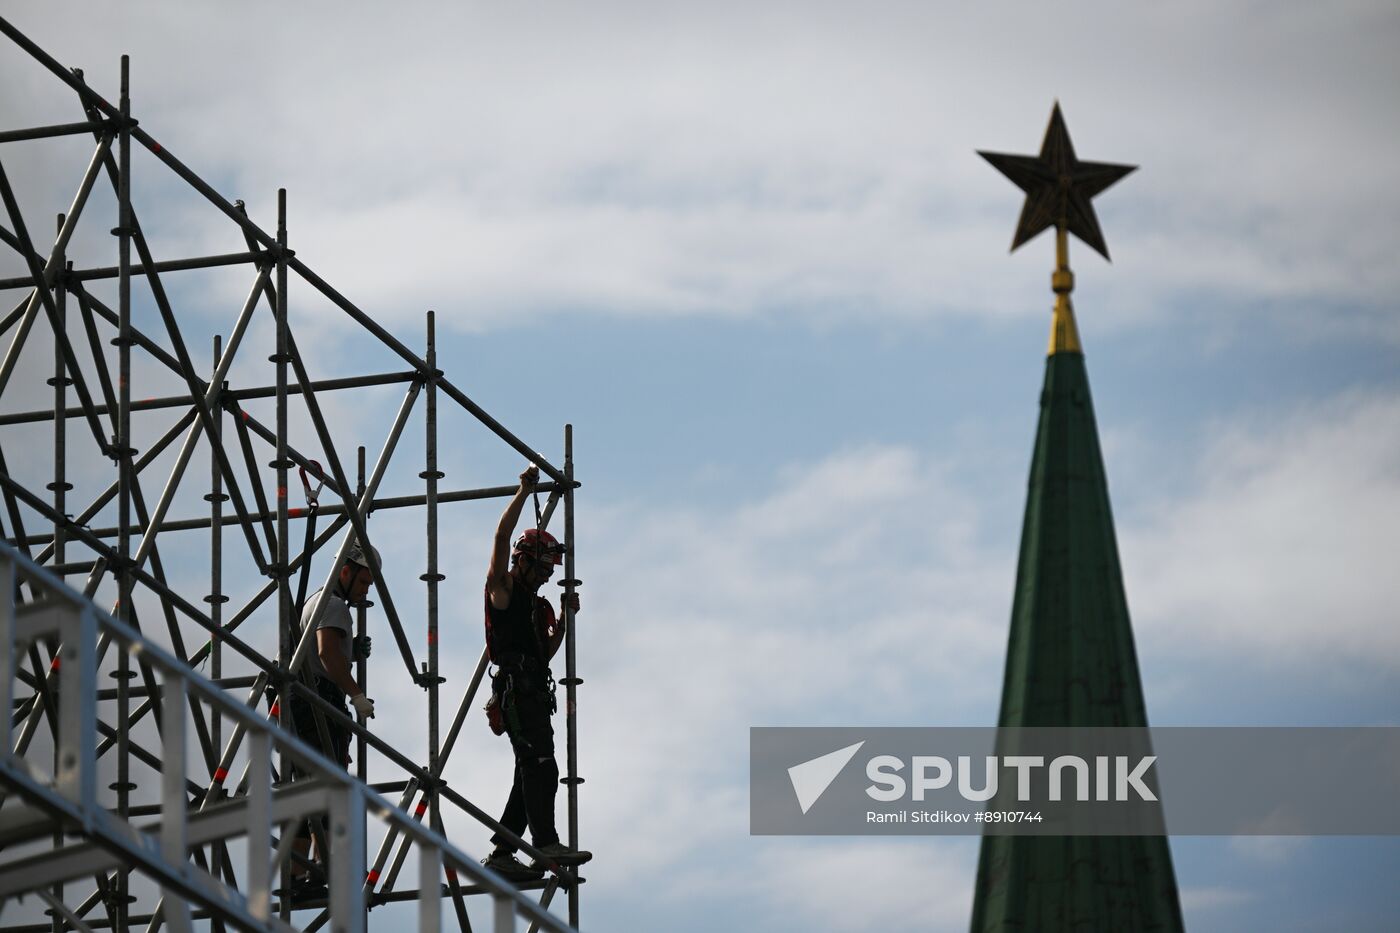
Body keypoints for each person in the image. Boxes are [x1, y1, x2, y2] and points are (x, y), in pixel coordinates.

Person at [480, 465, 592, 882]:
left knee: (530, 770)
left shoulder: (536, 605)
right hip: (515, 690)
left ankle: (504, 852)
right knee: (540, 765)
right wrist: (523, 493)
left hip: (533, 690)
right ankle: (544, 843)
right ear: (523, 562)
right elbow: (500, 538)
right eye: (542, 569)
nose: (546, 576)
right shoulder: (503, 589)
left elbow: (544, 653)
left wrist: (563, 620)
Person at [287, 541, 378, 901]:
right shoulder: (335, 604)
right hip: (319, 702)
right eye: (363, 582)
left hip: (296, 703)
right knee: (331, 786)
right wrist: (356, 694)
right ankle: (325, 871)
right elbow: (326, 656)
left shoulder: (315, 601)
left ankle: (296, 878)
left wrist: (351, 650)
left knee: (302, 791)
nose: (364, 591)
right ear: (346, 571)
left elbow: (316, 649)